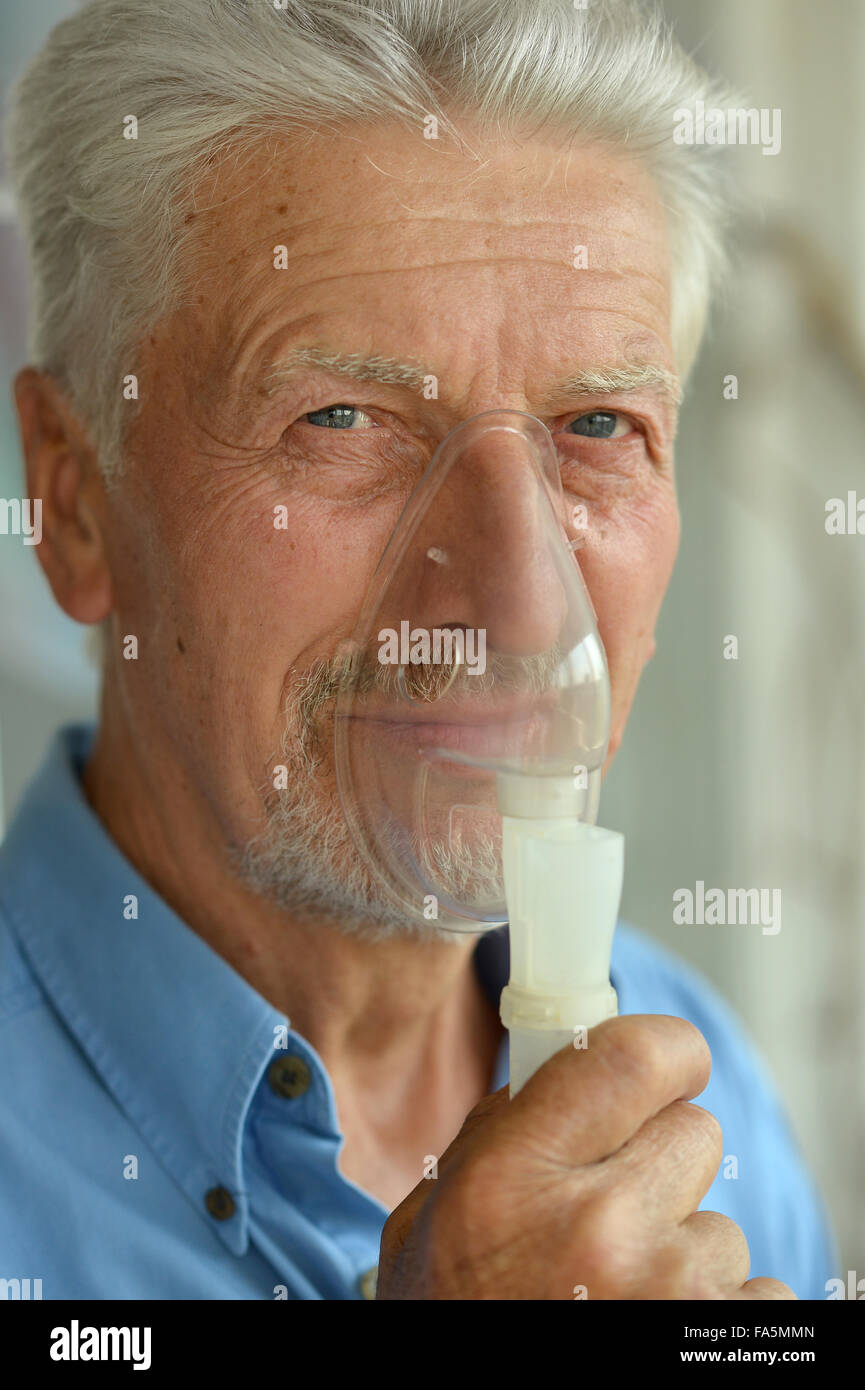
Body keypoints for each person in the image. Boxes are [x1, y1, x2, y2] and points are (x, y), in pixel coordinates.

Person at [0, 0, 836, 1300]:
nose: (512, 596)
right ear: (73, 500)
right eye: (342, 417)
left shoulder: (699, 1101)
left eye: (598, 426)